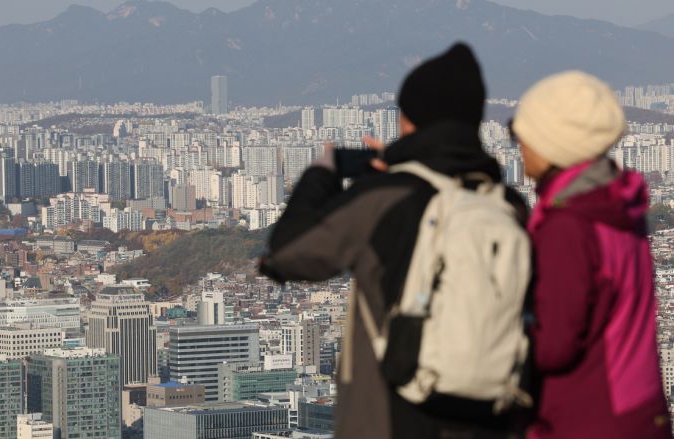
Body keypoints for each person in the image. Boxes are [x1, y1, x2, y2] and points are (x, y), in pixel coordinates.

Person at [261, 43, 527, 439]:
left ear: (408, 120)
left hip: (389, 419)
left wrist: (322, 173)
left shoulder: (385, 198)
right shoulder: (507, 205)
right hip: (489, 421)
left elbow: (288, 253)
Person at [510, 71, 671, 439]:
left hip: (586, 418)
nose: (518, 145)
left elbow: (553, 345)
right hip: (638, 411)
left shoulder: (569, 225)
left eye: (522, 134)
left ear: (552, 143)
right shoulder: (617, 207)